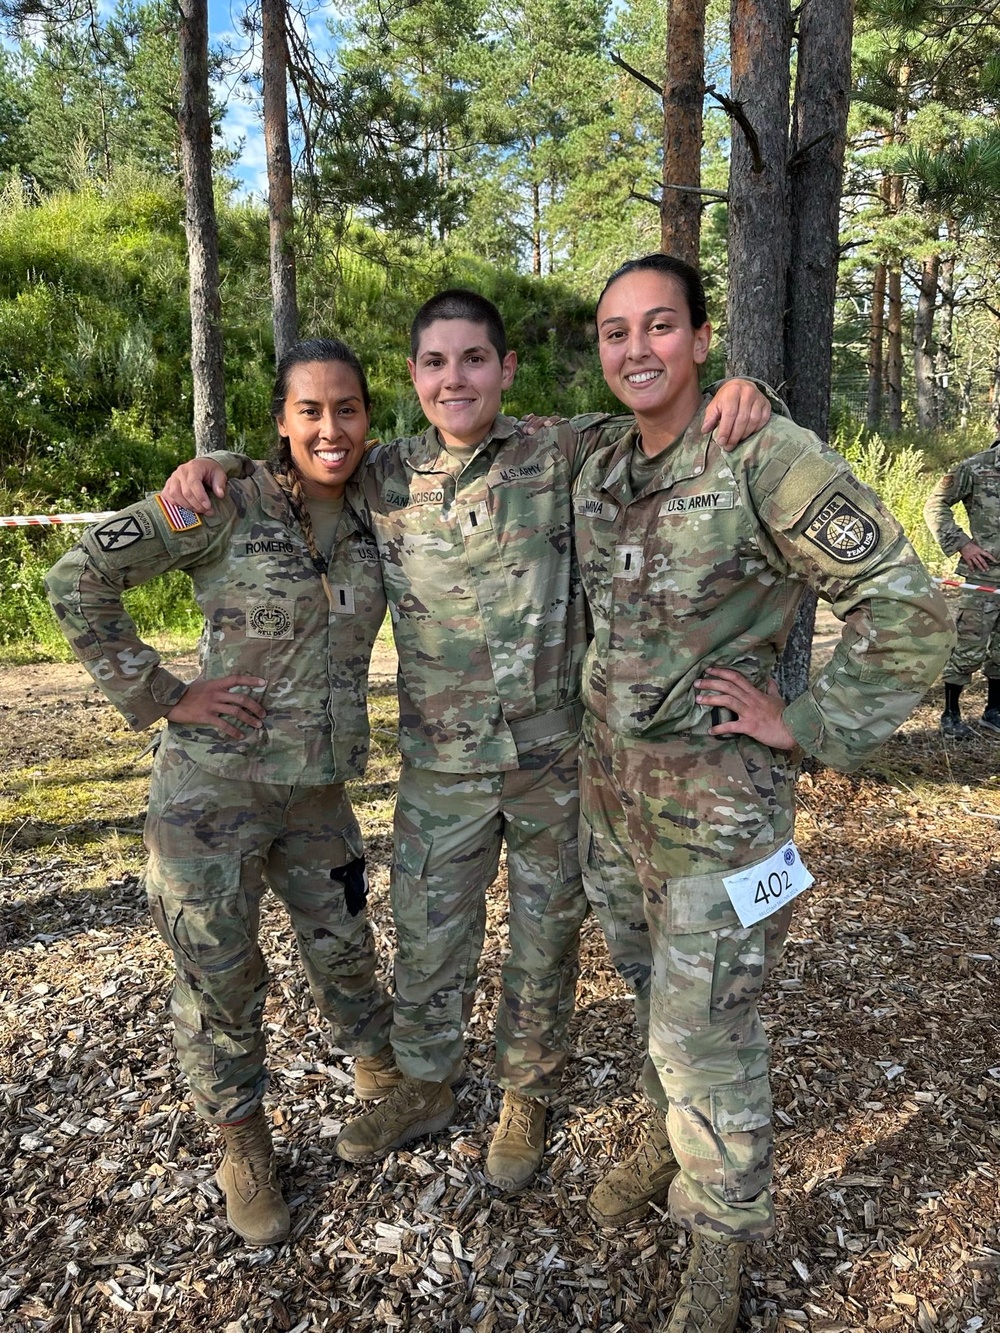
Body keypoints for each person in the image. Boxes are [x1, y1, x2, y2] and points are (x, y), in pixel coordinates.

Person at [159, 292, 774, 1194]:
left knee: (543, 937)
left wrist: (755, 390)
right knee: (427, 934)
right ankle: (427, 1081)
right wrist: (206, 463)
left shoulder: (562, 451)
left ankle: (527, 1093)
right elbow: (293, 467)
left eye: (475, 359)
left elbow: (669, 420)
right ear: (414, 377)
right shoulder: (382, 475)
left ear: (506, 368)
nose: (457, 378)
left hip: (551, 764)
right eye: (437, 363)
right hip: (441, 765)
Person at [570, 253, 953, 1332]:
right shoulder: (600, 461)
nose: (635, 348)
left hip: (724, 824)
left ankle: (719, 1247)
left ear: (699, 339)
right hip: (616, 806)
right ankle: (666, 1133)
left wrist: (814, 722)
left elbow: (910, 608)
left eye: (658, 327)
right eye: (615, 332)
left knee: (709, 1033)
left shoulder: (762, 456)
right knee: (658, 1009)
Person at [45, 338, 396, 1247]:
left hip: (319, 795)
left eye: (347, 409)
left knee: (347, 940)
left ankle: (377, 1069)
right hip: (211, 796)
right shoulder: (224, 502)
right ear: (280, 421)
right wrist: (163, 694)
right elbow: (77, 578)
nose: (331, 428)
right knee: (218, 976)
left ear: (369, 415)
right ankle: (242, 1139)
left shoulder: (379, 509)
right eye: (310, 411)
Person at [923, 437, 1000, 738]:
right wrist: (962, 544)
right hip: (985, 575)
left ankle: (994, 711)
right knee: (969, 647)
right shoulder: (976, 468)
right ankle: (950, 714)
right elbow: (935, 504)